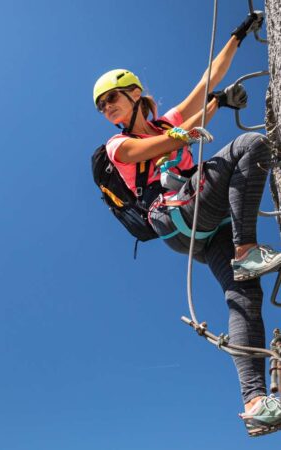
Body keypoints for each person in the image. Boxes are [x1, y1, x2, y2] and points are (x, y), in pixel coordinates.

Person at [92, 12, 281, 437]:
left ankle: (255, 403)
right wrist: (183, 134)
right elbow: (146, 150)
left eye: (112, 98)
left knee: (245, 297)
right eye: (103, 106)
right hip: (174, 211)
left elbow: (206, 79)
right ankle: (247, 249)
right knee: (250, 145)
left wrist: (238, 35)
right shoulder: (118, 142)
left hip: (199, 232)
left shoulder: (168, 121)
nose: (108, 109)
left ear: (135, 92)